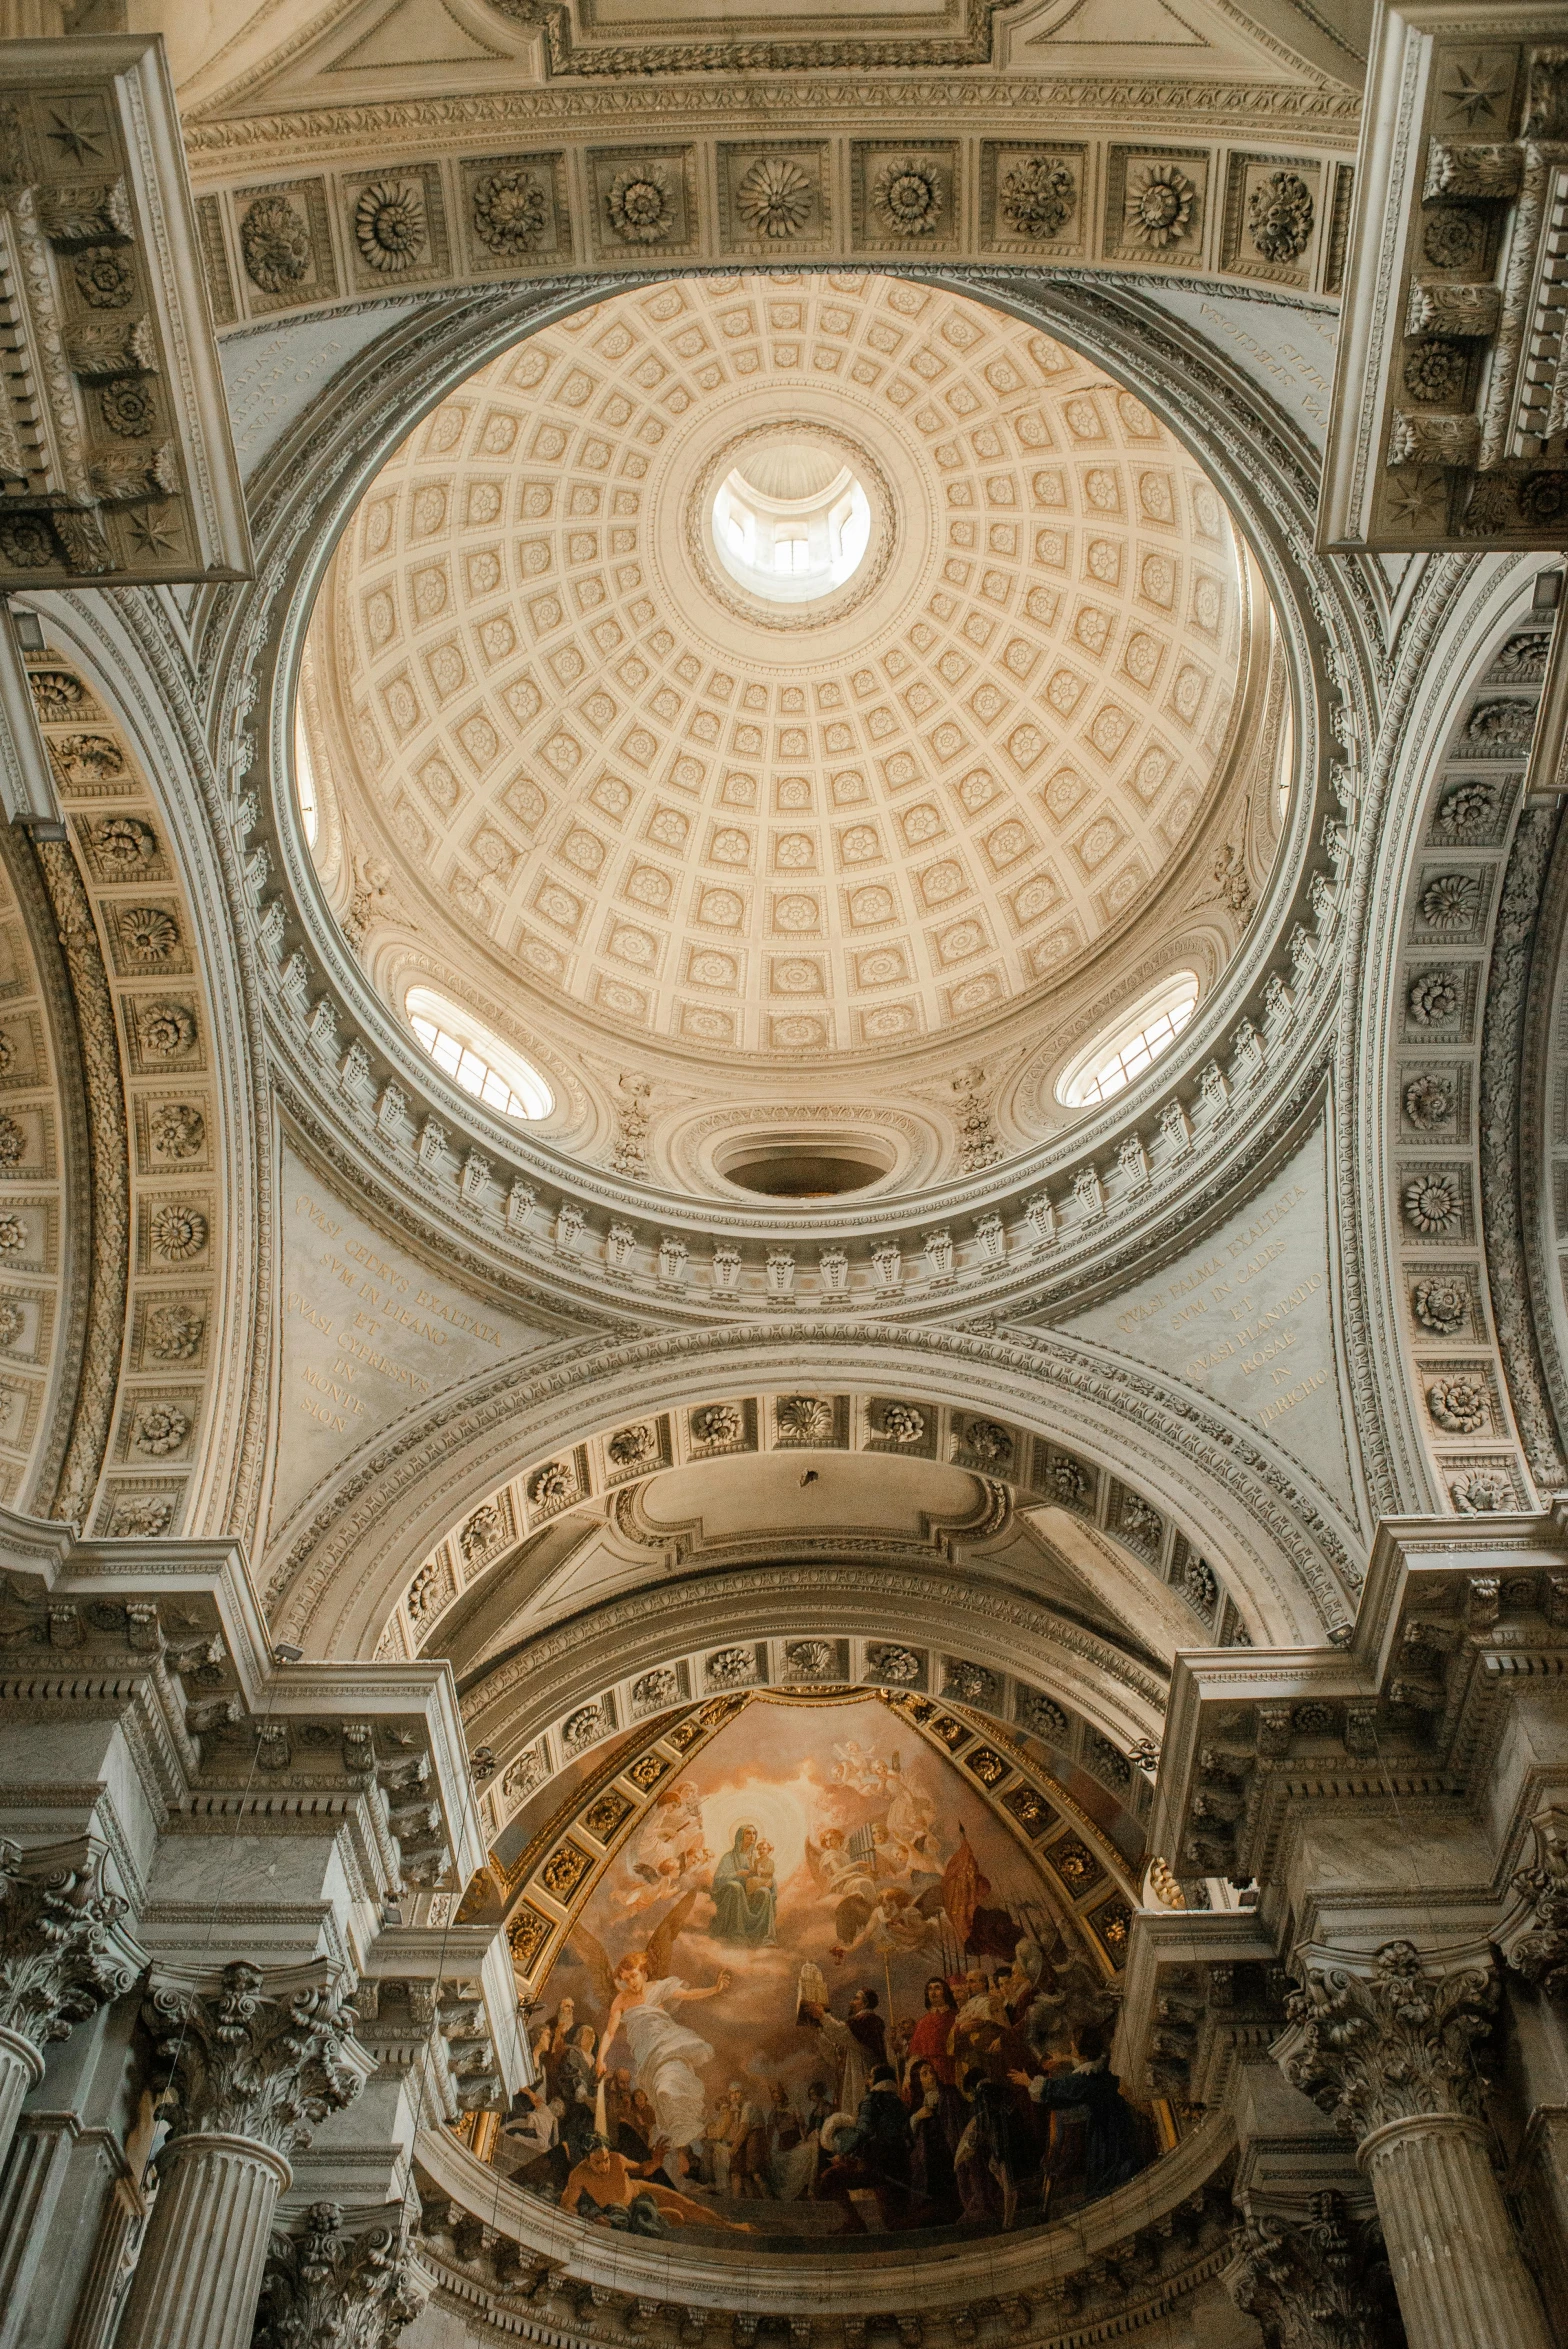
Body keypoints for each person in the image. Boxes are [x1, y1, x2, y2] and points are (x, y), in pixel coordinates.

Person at [599, 1948, 732, 2174]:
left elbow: (689, 1995)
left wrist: (715, 1989)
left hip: (668, 2048)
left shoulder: (658, 1989)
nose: (631, 1982)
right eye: (625, 1979)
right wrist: (600, 2059)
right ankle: (680, 2150)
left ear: (642, 1972)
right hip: (647, 2056)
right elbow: (610, 2032)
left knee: (668, 2089)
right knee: (661, 2102)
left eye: (633, 1975)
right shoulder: (621, 2000)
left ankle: (685, 2137)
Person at [1010, 2027, 1148, 2204]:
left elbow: (1059, 2090)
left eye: (1073, 2047)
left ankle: (1107, 2198)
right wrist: (1065, 2058)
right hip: (1119, 2117)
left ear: (1082, 2052)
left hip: (1105, 2126)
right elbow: (1083, 2063)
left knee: (1107, 2164)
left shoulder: (1086, 2079)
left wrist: (1027, 2081)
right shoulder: (1102, 2064)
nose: (1071, 2049)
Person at [814, 2064, 931, 2233]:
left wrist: (841, 2150)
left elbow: (863, 2132)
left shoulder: (872, 2099)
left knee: (829, 2177)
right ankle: (935, 2212)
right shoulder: (898, 2103)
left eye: (870, 2076)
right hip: (898, 2168)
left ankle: (854, 2222)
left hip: (876, 2168)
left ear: (878, 2080)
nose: (867, 2080)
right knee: (894, 2224)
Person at [562, 2139, 751, 2232]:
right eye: (598, 2162)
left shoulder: (616, 2159)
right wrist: (589, 2219)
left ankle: (730, 2226)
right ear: (587, 2161)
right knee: (676, 2217)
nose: (605, 2166)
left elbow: (643, 2170)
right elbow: (567, 2206)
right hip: (628, 2212)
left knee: (686, 2204)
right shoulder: (578, 2175)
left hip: (638, 2189)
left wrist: (656, 2161)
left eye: (605, 2160)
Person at [954, 2064, 1035, 2230]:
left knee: (1008, 2184)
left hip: (1003, 2144)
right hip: (1018, 2139)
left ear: (972, 2087)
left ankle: (1008, 2224)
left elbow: (982, 2123)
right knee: (994, 2167)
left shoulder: (981, 2096)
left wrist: (970, 2147)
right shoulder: (1002, 2089)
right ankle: (1016, 2206)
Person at [799, 1985, 885, 2113]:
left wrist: (823, 2016)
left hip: (863, 2077)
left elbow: (841, 2033)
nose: (851, 2002)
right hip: (852, 2080)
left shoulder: (867, 2020)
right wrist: (818, 2032)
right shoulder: (855, 2026)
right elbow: (836, 2057)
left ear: (865, 2003)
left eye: (856, 1998)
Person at [907, 2059, 963, 2221]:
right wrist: (917, 2117)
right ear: (918, 2080)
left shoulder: (949, 2093)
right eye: (925, 2073)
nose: (931, 2076)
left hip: (949, 2150)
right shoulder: (917, 2103)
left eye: (932, 2071)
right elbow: (908, 2134)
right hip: (927, 2157)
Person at [709, 1824, 778, 1946]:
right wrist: (737, 1873)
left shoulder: (756, 1859)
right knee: (736, 1886)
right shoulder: (728, 1857)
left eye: (754, 1833)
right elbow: (718, 1879)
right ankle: (737, 1933)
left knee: (765, 1892)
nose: (752, 1836)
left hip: (750, 1895)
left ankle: (765, 1938)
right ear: (740, 1836)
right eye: (748, 1833)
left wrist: (771, 1882)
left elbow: (767, 1874)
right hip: (734, 1896)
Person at [902, 1976, 959, 2087]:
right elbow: (915, 2055)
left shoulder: (956, 2017)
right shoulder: (922, 2022)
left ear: (945, 1992)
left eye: (937, 1988)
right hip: (929, 2074)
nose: (933, 1992)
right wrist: (907, 2078)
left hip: (952, 2070)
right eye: (930, 1989)